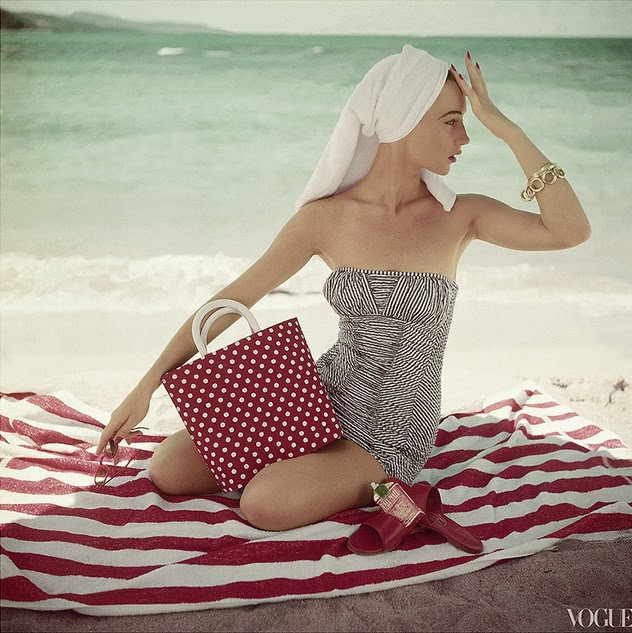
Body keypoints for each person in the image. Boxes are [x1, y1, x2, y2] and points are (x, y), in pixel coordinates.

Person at [96, 47, 590, 532]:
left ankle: (345, 477)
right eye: (451, 121)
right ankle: (305, 463)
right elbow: (233, 299)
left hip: (390, 428)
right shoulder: (324, 218)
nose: (464, 136)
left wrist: (505, 127)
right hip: (320, 394)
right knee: (169, 468)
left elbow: (569, 230)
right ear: (404, 119)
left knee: (263, 504)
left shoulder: (461, 215)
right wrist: (144, 389)